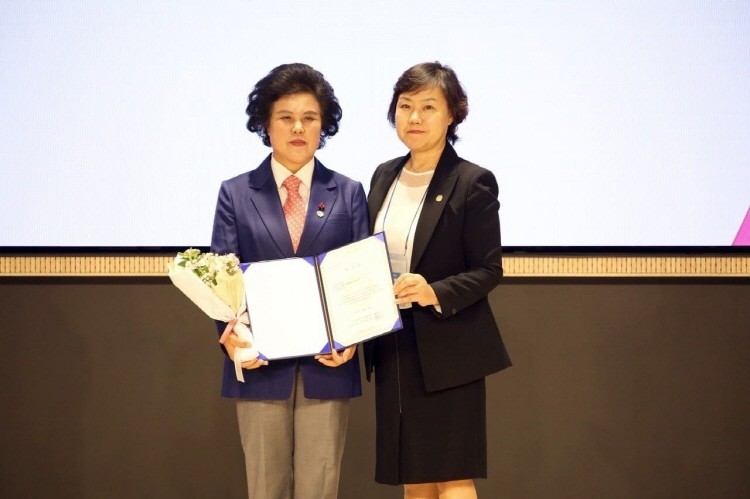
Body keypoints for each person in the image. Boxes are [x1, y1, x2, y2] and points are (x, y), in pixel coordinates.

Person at [211, 63, 368, 499]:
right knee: (266, 488)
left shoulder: (349, 192)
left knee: (321, 487)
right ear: (266, 123)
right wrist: (235, 337)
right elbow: (221, 279)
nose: (298, 128)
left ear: (323, 125)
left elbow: (361, 278)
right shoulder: (236, 193)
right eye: (286, 117)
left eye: (310, 117)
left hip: (328, 364)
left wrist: (352, 338)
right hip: (261, 365)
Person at [364, 62, 512, 499]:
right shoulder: (384, 175)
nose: (414, 117)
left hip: (448, 347)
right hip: (392, 341)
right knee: (415, 477)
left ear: (452, 114)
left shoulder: (471, 181)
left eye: (428, 107)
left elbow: (488, 269)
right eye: (405, 105)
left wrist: (434, 291)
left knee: (452, 476)